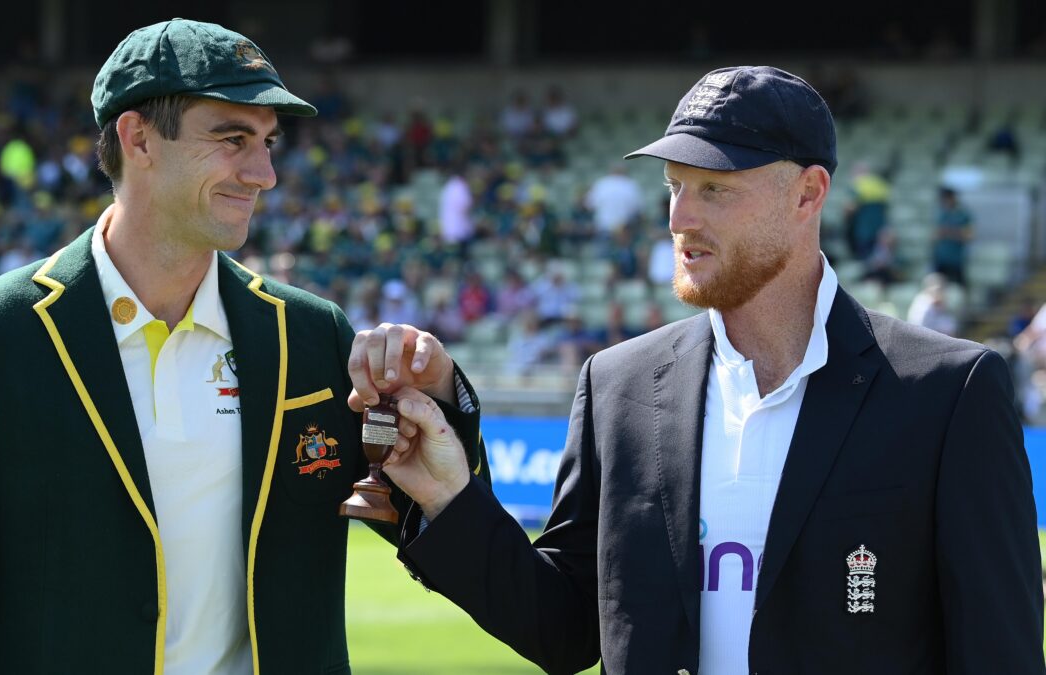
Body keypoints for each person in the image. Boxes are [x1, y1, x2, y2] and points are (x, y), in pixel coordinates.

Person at [0, 19, 488, 675]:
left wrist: (442, 393)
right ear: (137, 138)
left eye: (269, 144)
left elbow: (445, 530)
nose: (264, 174)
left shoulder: (312, 334)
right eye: (233, 140)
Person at [381, 66, 1043, 674]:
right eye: (674, 187)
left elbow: (998, 652)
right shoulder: (618, 386)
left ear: (808, 194)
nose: (679, 217)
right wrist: (448, 499)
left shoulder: (948, 392)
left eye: (714, 189)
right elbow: (567, 628)